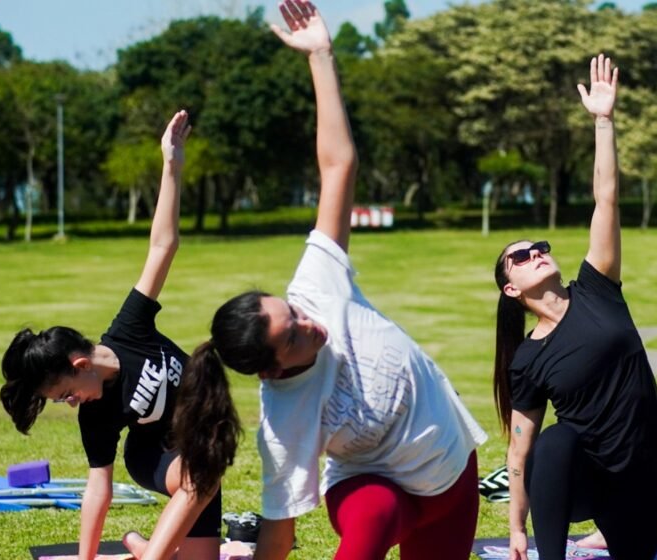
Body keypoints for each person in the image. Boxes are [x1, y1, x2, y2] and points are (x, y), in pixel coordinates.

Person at [183, 2, 486, 559]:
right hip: (374, 488)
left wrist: (321, 55)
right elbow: (279, 532)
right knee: (372, 517)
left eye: (293, 313)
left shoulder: (317, 284)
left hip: (452, 475)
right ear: (273, 370)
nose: (310, 324)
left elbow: (338, 166)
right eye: (294, 335)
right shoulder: (284, 420)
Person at [0, 110, 239, 560]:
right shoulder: (96, 416)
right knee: (199, 474)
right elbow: (99, 489)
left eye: (65, 394)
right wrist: (86, 558)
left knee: (201, 510)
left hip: (200, 444)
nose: (71, 403)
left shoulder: (129, 329)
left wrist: (171, 164)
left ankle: (141, 546)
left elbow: (163, 246)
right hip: (156, 457)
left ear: (80, 364)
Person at [492, 54, 657, 560]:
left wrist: (603, 121)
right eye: (520, 257)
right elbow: (520, 450)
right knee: (555, 441)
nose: (536, 254)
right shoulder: (528, 358)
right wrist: (517, 530)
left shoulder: (597, 288)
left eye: (539, 247)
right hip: (580, 481)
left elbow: (605, 199)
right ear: (511, 290)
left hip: (640, 476)